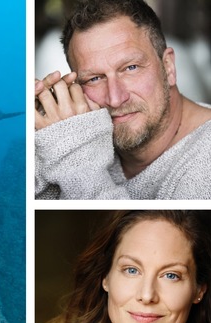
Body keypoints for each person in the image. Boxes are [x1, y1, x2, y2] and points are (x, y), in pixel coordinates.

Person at [34, 0, 211, 199]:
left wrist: (72, 154)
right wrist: (35, 138)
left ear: (168, 66)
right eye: (95, 79)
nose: (116, 99)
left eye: (130, 68)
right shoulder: (80, 132)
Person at [36, 210, 211, 323]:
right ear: (106, 277)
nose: (146, 295)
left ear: (198, 290)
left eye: (171, 275)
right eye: (131, 270)